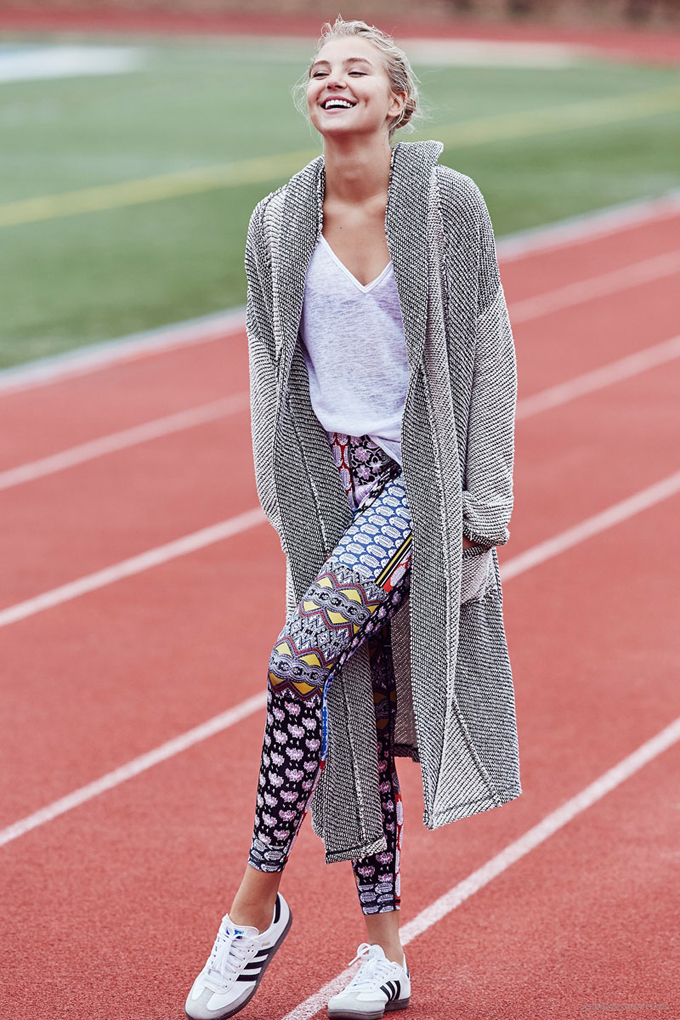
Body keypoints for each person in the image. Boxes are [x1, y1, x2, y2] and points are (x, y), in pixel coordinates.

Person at [185, 15, 521, 1020]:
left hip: (417, 484)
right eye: (319, 70)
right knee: (349, 705)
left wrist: (483, 502)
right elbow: (268, 366)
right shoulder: (276, 221)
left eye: (356, 69)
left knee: (296, 663)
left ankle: (252, 909)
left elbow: (489, 347)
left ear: (396, 98)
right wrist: (279, 493)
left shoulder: (448, 204)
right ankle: (383, 953)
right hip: (324, 487)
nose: (332, 80)